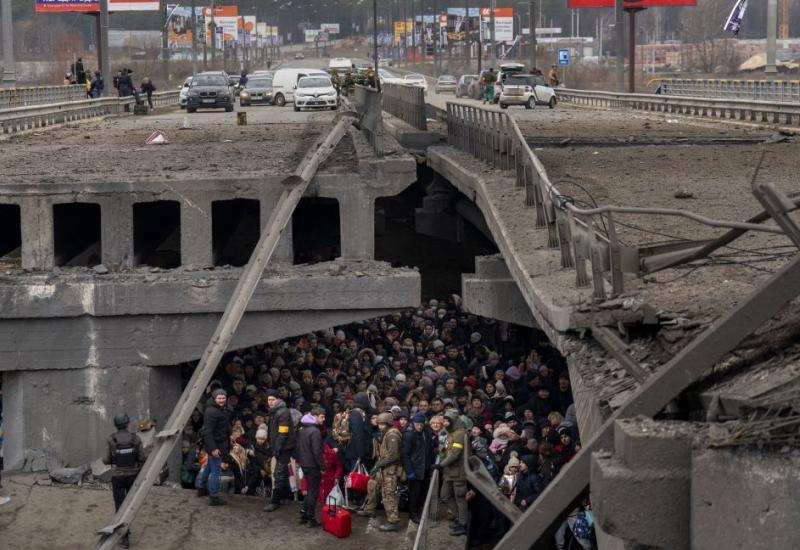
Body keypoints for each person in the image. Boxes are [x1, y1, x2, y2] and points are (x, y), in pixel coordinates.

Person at [102, 413, 145, 549]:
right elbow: (142, 458)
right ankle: (127, 528)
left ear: (116, 424)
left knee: (120, 506)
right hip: (133, 476)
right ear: (127, 423)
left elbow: (106, 460)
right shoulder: (136, 439)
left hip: (118, 478)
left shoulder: (111, 439)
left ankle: (124, 537)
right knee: (131, 504)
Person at [358, 411, 403, 531]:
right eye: (379, 424)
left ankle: (393, 522)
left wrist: (378, 465)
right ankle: (369, 510)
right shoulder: (386, 433)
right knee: (372, 484)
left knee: (389, 494)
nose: (380, 426)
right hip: (384, 468)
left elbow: (394, 456)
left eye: (383, 424)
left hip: (390, 469)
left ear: (388, 423)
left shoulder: (392, 435)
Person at [433, 410, 468, 536]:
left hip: (458, 472)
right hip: (449, 472)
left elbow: (455, 454)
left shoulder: (460, 434)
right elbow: (446, 450)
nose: (446, 423)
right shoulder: (451, 433)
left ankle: (463, 523)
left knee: (460, 497)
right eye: (445, 421)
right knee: (445, 495)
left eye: (448, 421)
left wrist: (440, 465)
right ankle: (458, 517)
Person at [197, 388, 231, 506]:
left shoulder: (219, 409)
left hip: (217, 442)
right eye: (219, 398)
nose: (221, 400)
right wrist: (213, 448)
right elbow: (208, 432)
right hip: (216, 445)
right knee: (216, 471)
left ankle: (201, 488)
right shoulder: (212, 412)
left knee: (209, 468)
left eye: (223, 398)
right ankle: (213, 496)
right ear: (214, 398)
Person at [265, 389, 296, 511]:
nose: (270, 402)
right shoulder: (275, 411)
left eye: (272, 399)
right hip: (280, 446)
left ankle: (275, 501)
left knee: (278, 473)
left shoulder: (282, 412)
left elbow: (283, 432)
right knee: (282, 471)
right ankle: (285, 496)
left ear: (278, 399)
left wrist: (277, 448)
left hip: (284, 447)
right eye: (269, 399)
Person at [296, 406, 326, 527]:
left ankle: (303, 514)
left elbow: (298, 447)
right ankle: (311, 518)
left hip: (304, 463)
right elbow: (317, 452)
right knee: (313, 491)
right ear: (315, 417)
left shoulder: (302, 429)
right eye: (322, 417)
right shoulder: (315, 431)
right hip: (313, 465)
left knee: (310, 491)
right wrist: (322, 467)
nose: (323, 419)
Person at [402, 412, 433, 523]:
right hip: (415, 468)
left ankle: (420, 511)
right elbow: (405, 454)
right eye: (417, 424)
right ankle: (413, 514)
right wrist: (409, 471)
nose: (419, 426)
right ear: (413, 423)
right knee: (414, 493)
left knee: (423, 492)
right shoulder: (409, 435)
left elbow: (430, 450)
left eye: (421, 424)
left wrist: (431, 465)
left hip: (425, 467)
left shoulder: (427, 433)